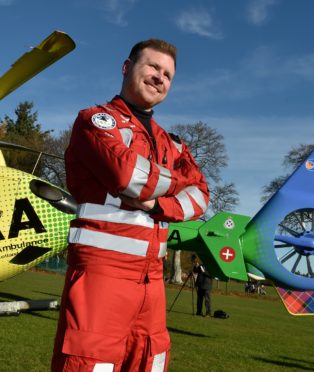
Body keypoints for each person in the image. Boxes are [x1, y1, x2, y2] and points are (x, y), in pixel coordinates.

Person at [52, 39, 209, 372]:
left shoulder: (173, 143)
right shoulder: (95, 121)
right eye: (152, 67)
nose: (159, 77)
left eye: (167, 74)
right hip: (102, 271)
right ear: (127, 67)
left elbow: (201, 195)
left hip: (153, 278)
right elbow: (128, 176)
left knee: (150, 360)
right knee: (90, 360)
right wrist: (176, 183)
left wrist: (155, 205)